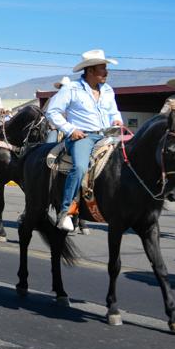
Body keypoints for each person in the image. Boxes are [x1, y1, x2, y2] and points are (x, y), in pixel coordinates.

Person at [46, 50, 124, 231]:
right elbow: (53, 111)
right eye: (102, 68)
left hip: (108, 135)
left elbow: (114, 111)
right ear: (89, 71)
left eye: (106, 68)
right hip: (84, 137)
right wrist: (71, 130)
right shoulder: (71, 89)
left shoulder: (108, 90)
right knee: (80, 167)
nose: (106, 72)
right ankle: (66, 210)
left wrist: (117, 119)